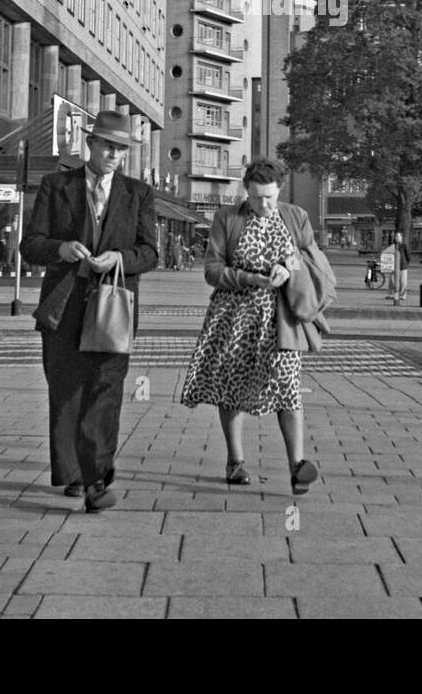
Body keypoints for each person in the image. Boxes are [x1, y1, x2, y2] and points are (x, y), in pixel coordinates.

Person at [22, 110, 158, 512]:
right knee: (66, 390)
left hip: (113, 303)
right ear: (91, 144)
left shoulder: (138, 194)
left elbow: (150, 253)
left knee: (105, 391)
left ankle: (96, 477)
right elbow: (30, 244)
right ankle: (73, 474)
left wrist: (119, 257)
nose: (115, 154)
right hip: (64, 303)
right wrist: (60, 249)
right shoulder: (56, 185)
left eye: (122, 148)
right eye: (109, 146)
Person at [181, 156, 326, 495]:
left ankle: (297, 466)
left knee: (287, 386)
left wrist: (289, 267)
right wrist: (247, 277)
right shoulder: (227, 217)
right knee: (231, 386)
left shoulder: (295, 216)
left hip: (282, 317)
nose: (263, 204)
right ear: (245, 190)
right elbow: (212, 269)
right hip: (233, 316)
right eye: (257, 197)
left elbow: (312, 256)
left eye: (270, 197)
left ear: (280, 191)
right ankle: (235, 461)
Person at [387, 230, 411, 304]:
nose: (396, 238)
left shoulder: (404, 245)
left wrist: (406, 263)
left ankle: (403, 295)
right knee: (392, 280)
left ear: (401, 237)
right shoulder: (393, 245)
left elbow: (408, 255)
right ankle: (392, 294)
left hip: (402, 265)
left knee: (403, 281)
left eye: (398, 236)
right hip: (394, 265)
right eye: (396, 236)